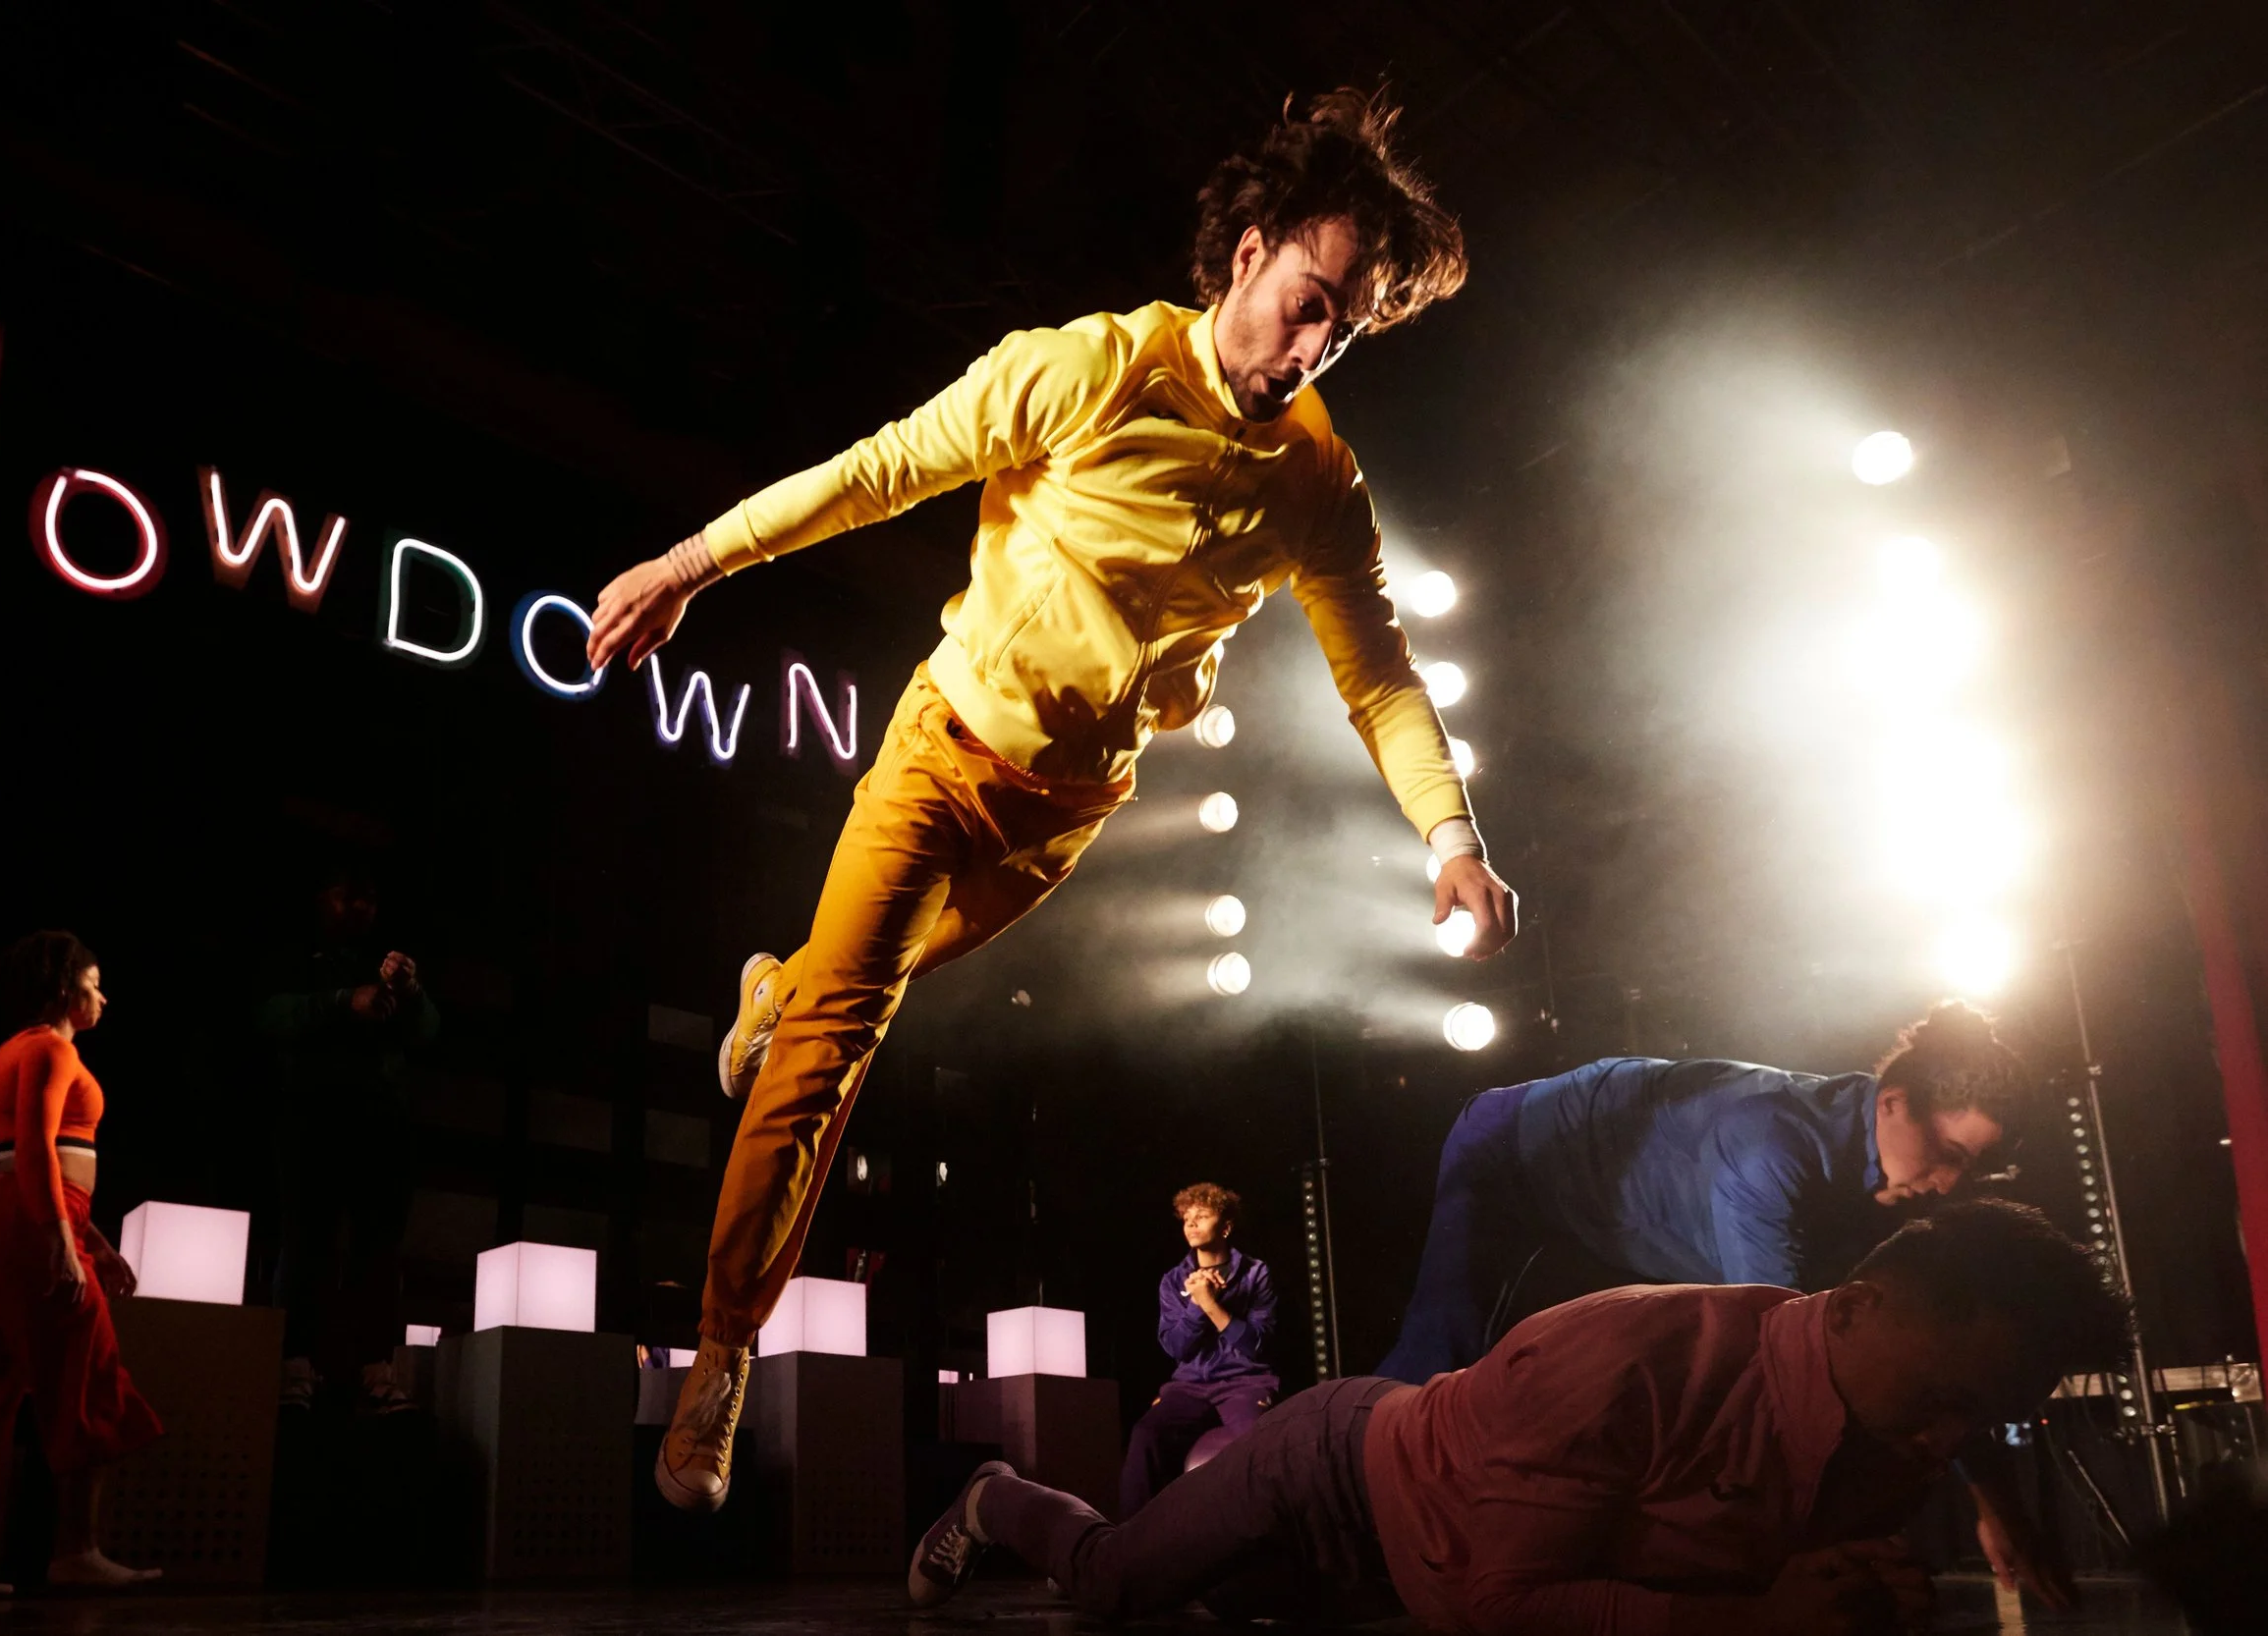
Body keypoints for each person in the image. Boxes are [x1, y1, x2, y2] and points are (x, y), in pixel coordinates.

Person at [587, 87, 1521, 1514]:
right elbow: (881, 470)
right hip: (941, 754)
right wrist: (689, 563)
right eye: (1308, 299)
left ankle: (780, 983)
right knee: (843, 1042)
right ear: (1249, 250)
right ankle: (722, 1355)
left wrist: (1454, 840)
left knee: (844, 981)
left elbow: (1380, 676)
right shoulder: (1089, 368)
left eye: (1347, 327)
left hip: (1066, 817)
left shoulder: (1321, 480)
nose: (1313, 342)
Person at [906, 1199, 2129, 1634]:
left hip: (1416, 1560)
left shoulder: (1902, 1426)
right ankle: (994, 1496)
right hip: (1334, 1472)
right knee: (1120, 1584)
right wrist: (1758, 1619)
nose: (1940, 1449)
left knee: (1226, 1608)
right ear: (1856, 1308)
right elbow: (1498, 1603)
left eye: (1982, 1422)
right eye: (1944, 1404)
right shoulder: (1639, 1353)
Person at [1378, 1001, 2029, 1384]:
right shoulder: (1769, 1148)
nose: (1951, 1185)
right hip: (1516, 1154)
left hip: (1615, 1223)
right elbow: (1779, 1346)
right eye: (1949, 1156)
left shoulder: (1884, 1179)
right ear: (1894, 1102)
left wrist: (1994, 1502)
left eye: (1973, 1170)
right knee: (1441, 1361)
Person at [0, 932, 163, 1595]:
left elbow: (30, 1160)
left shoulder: (7, 1053)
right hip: (31, 1226)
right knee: (92, 1381)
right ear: (61, 988)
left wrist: (94, 1243)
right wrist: (59, 1243)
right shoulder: (48, 1048)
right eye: (94, 982)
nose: (102, 995)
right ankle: (77, 1550)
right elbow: (36, 1151)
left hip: (4, 1226)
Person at [257, 866, 438, 1412]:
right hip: (311, 1124)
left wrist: (412, 991)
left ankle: (376, 1370)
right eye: (349, 897)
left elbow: (429, 1031)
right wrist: (342, 1001)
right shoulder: (293, 956)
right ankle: (294, 1368)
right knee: (304, 1243)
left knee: (380, 1251)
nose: (362, 909)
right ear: (321, 898)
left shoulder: (381, 965)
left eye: (371, 899)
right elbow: (267, 1016)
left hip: (382, 1131)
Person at [1120, 1183, 1280, 1517]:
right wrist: (1195, 1306)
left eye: (1202, 1216)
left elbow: (1255, 1346)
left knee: (1258, 1443)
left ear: (1225, 1227)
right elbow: (1176, 1347)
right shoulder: (1173, 1280)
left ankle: (1266, 1535)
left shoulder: (1255, 1274)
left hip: (1244, 1383)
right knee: (1145, 1433)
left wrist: (1209, 1304)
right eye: (1186, 1218)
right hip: (1190, 1385)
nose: (1191, 1224)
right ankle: (1129, 1542)